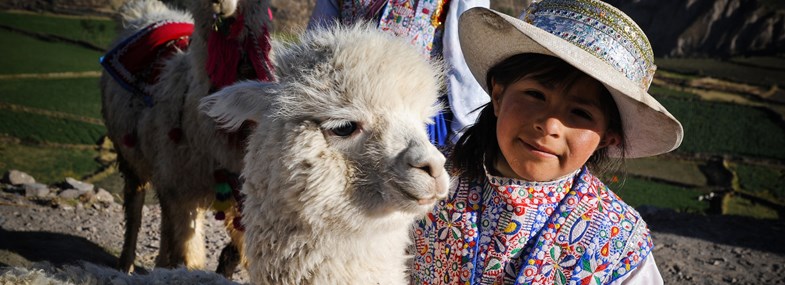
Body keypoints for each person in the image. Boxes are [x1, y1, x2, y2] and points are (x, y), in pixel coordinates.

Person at [411, 1, 683, 284]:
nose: (550, 125)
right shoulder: (429, 189)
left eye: (580, 113)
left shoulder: (617, 242)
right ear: (498, 94)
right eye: (535, 95)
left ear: (607, 137)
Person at [308, 0, 491, 147]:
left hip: (419, 115)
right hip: (353, 113)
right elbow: (319, 45)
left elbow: (464, 52)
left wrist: (466, 129)